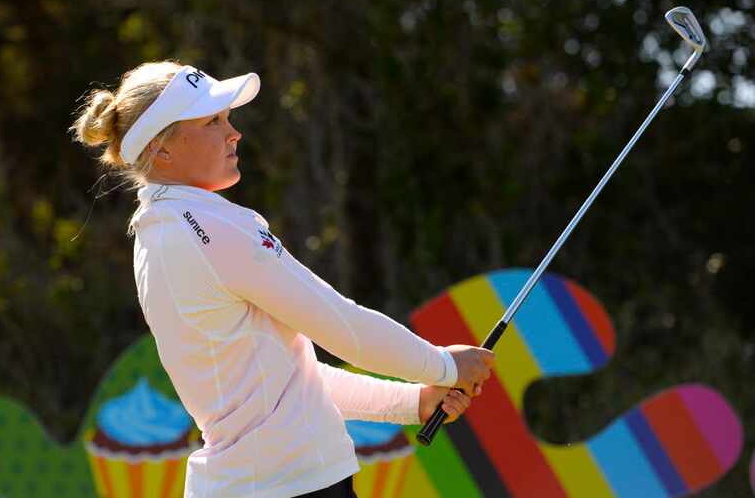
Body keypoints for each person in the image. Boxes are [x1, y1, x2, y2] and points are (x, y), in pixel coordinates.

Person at [71, 61, 495, 498]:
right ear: (161, 149)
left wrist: (412, 402)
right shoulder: (204, 227)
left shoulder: (165, 228)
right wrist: (443, 364)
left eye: (228, 118)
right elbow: (340, 324)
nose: (233, 133)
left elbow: (289, 377)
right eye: (212, 121)